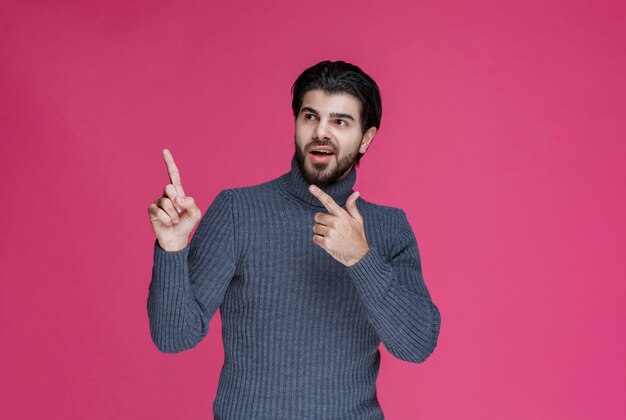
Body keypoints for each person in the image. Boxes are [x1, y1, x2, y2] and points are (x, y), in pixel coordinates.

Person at [147, 60, 441, 419]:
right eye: (310, 117)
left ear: (366, 138)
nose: (321, 132)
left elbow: (417, 345)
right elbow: (174, 337)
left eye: (340, 122)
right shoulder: (239, 211)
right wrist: (173, 247)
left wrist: (361, 258)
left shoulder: (389, 228)